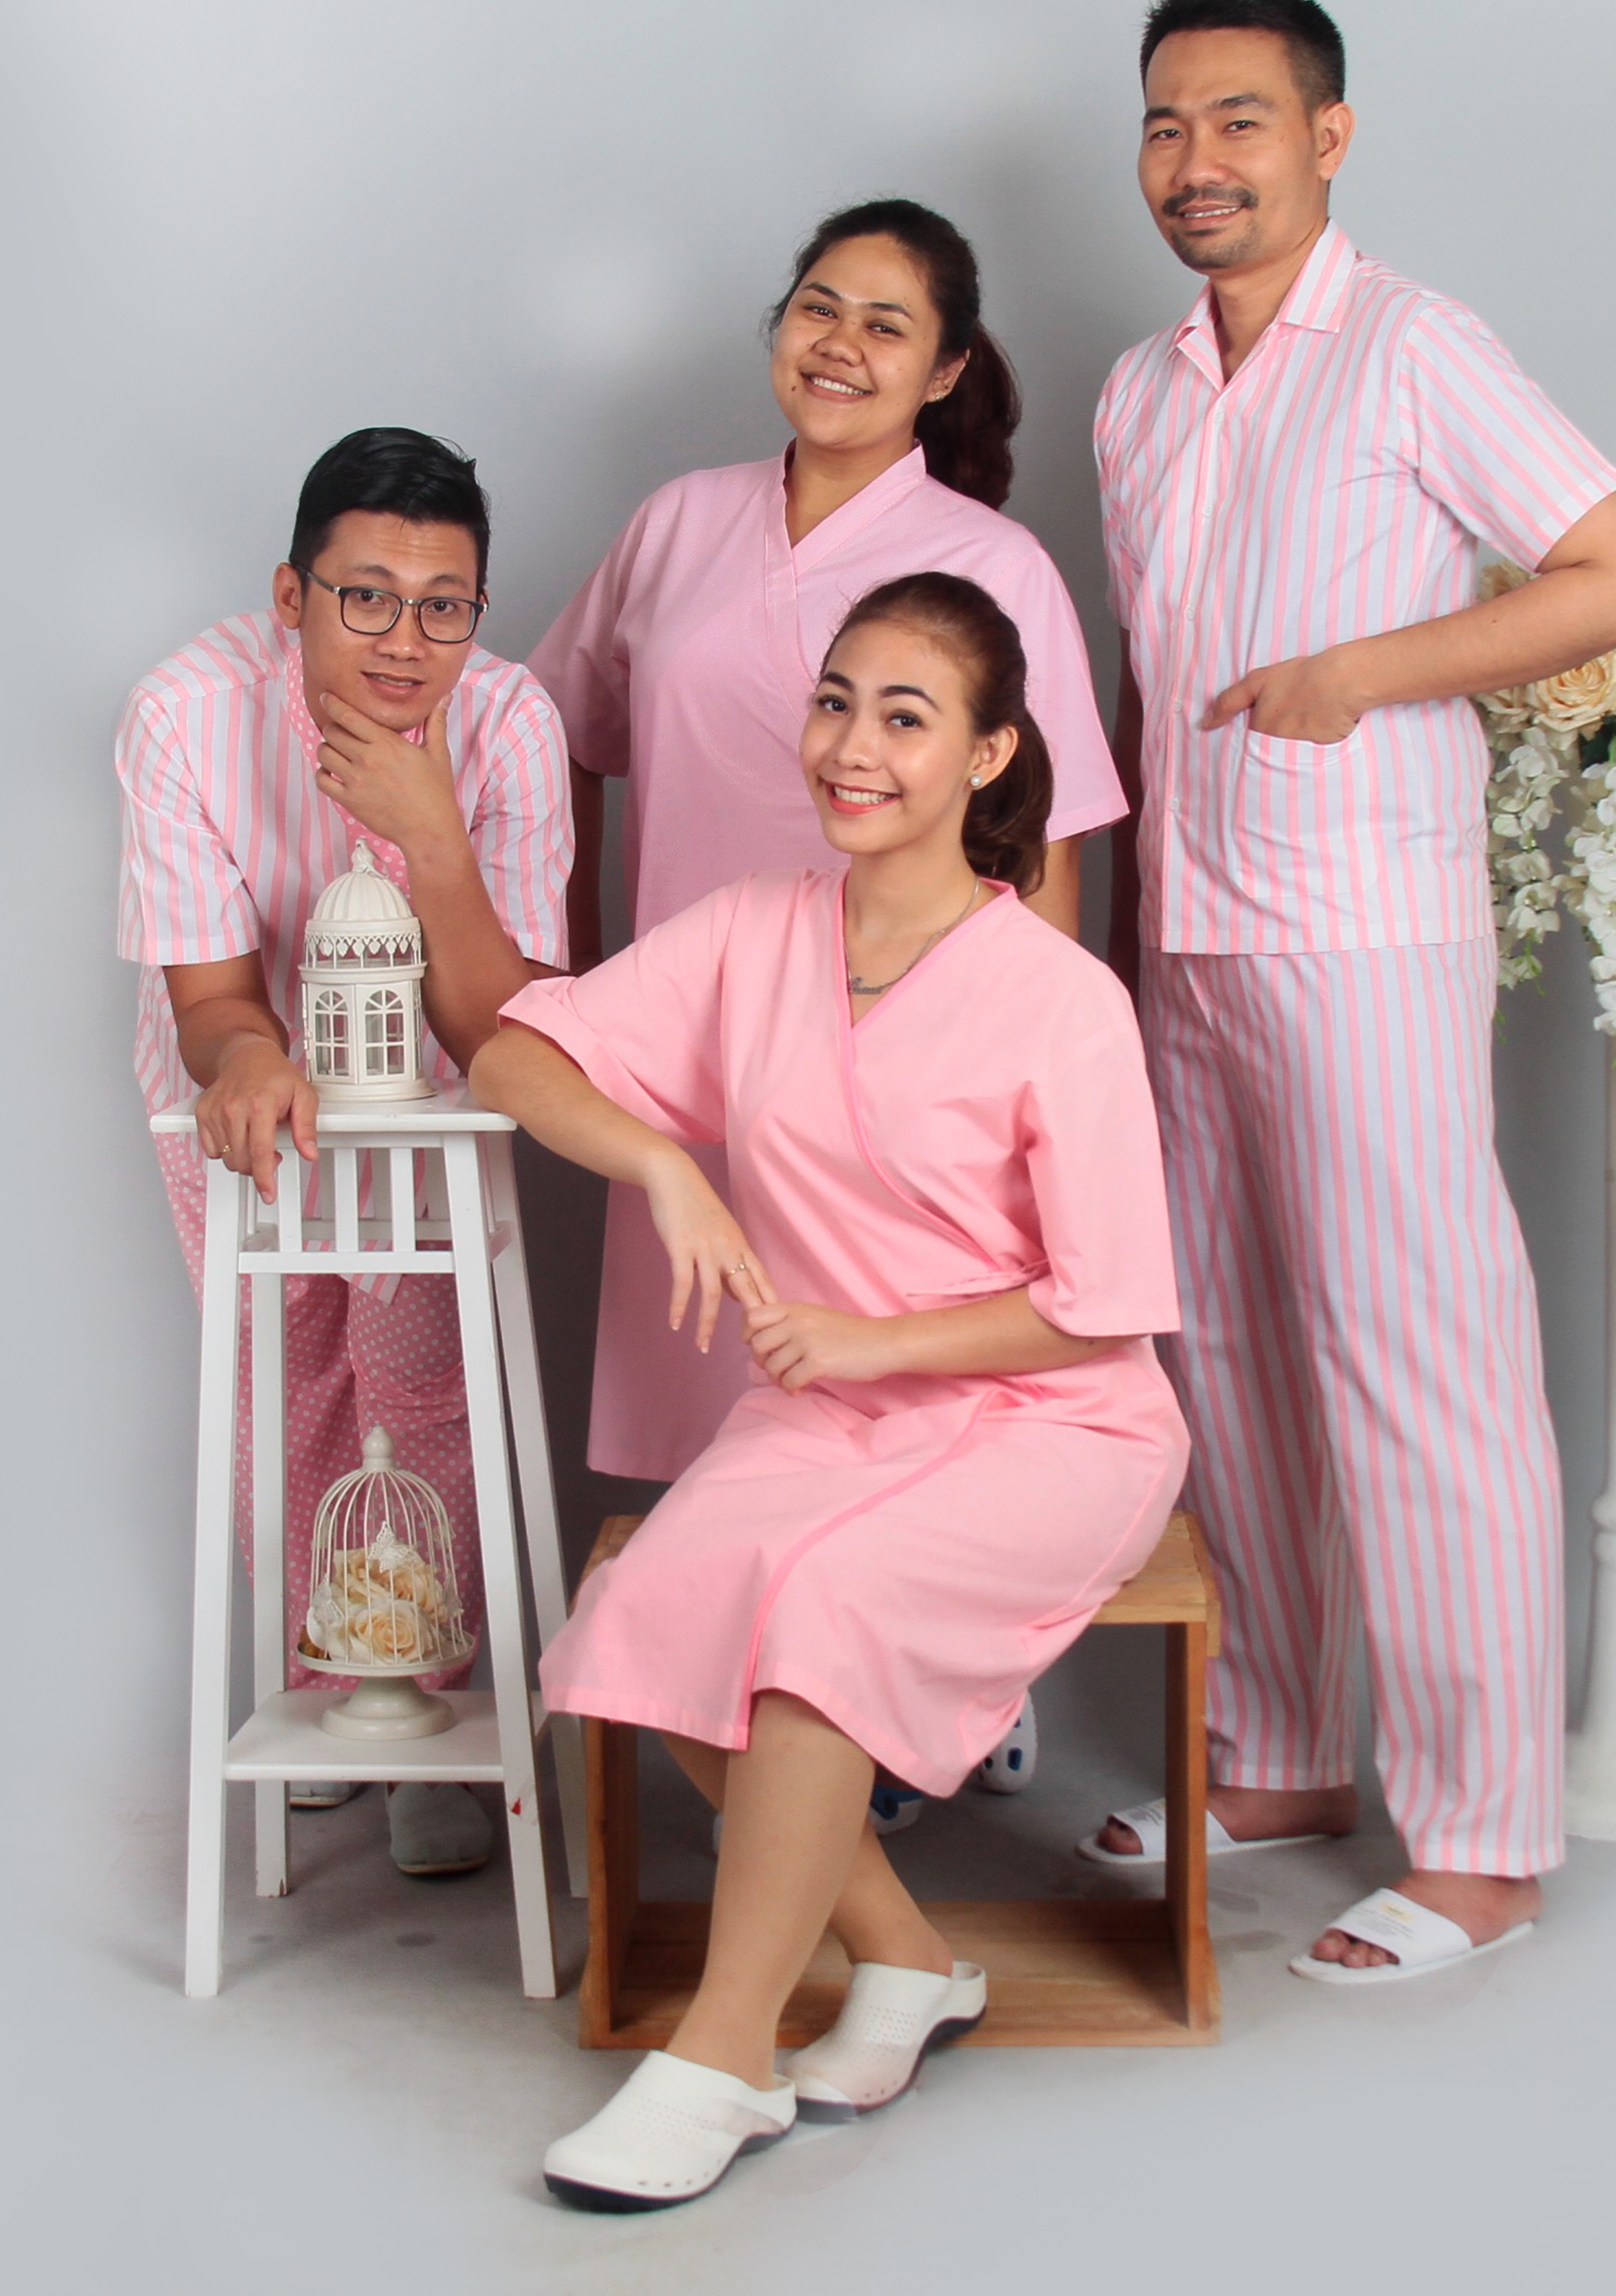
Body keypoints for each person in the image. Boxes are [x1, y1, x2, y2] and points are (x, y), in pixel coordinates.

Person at [1075, 0, 1616, 1981]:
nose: (1196, 163)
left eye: (1238, 120)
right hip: (1188, 937)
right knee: (1225, 1355)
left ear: (1327, 137)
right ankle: (1272, 1755)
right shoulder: (1138, 392)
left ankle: (1483, 1844)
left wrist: (1363, 673)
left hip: (1361, 930)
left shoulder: (1418, 349)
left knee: (1418, 1366)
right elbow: (1151, 682)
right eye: (1165, 125)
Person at [473, 573, 1185, 2210]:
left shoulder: (1060, 997)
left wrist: (872, 1342)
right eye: (835, 702)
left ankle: (722, 2056)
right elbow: (516, 1050)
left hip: (1056, 1422)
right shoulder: (752, 933)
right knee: (649, 1627)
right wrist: (662, 1161)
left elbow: (1104, 1307)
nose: (852, 746)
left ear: (989, 754)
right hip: (827, 1417)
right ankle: (911, 1959)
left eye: (905, 717)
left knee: (815, 1620)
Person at [531, 198, 1128, 1494]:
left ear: (945, 370)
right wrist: (566, 964)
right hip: (690, 1035)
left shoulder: (996, 565)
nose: (840, 344)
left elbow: (1046, 859)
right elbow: (550, 731)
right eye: (817, 308)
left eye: (886, 325)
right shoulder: (676, 524)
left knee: (887, 1436)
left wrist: (1027, 1107)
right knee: (709, 1426)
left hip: (907, 1082)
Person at [115, 426, 570, 1879]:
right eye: (365, 596)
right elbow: (207, 997)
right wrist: (248, 1057)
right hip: (237, 1105)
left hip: (433, 1110)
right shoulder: (186, 711)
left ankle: (423, 1709)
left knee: (420, 1391)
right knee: (287, 1392)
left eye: (445, 605)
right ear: (291, 594)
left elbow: (506, 1026)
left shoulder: (508, 723)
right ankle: (328, 1689)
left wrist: (432, 839)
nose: (405, 639)